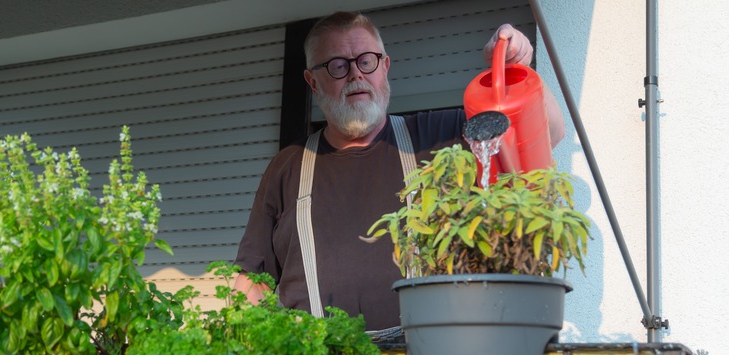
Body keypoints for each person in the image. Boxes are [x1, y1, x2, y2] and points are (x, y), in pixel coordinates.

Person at [233, 11, 565, 332]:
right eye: (337, 66)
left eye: (367, 60)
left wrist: (515, 67)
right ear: (313, 82)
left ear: (385, 66)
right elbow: (251, 281)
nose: (356, 75)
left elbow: (548, 133)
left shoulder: (440, 135)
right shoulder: (288, 166)